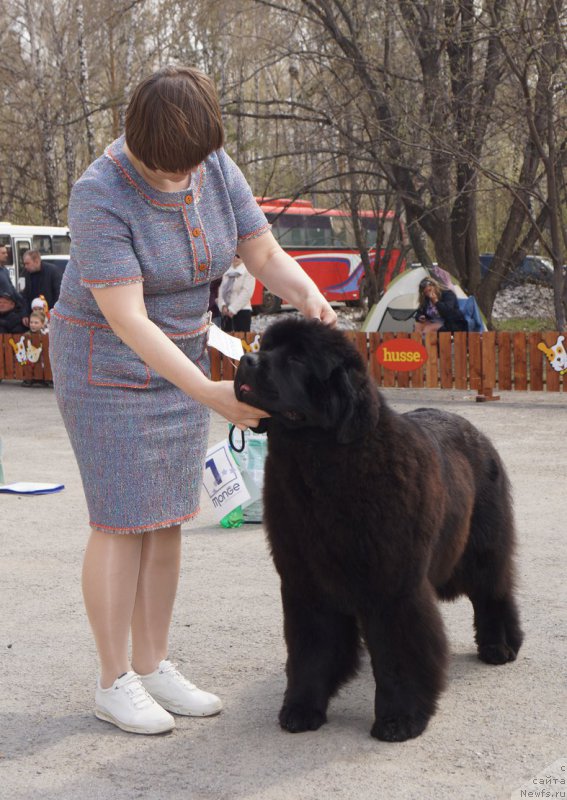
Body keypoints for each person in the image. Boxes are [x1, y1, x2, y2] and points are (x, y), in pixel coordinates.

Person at [49, 65, 336, 737]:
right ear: (137, 141)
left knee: (168, 516)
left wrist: (306, 295)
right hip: (107, 365)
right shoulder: (98, 194)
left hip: (180, 351)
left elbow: (260, 252)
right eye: (165, 169)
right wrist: (207, 389)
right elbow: (127, 318)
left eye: (190, 168)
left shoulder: (212, 164)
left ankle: (152, 666)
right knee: (122, 519)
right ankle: (113, 680)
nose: (180, 180)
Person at [21, 249, 62, 324]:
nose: (25, 266)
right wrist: (25, 314)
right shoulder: (25, 273)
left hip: (49, 316)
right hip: (32, 317)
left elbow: (58, 294)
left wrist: (53, 314)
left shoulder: (52, 271)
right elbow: (23, 295)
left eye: (27, 263)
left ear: (36, 261)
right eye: (24, 264)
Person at [218, 253, 255, 332]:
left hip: (242, 311)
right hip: (226, 313)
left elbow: (247, 292)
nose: (235, 258)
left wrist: (232, 309)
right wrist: (223, 305)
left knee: (241, 341)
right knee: (226, 340)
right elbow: (221, 290)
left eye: (238, 255)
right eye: (233, 255)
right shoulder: (227, 271)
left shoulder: (248, 271)